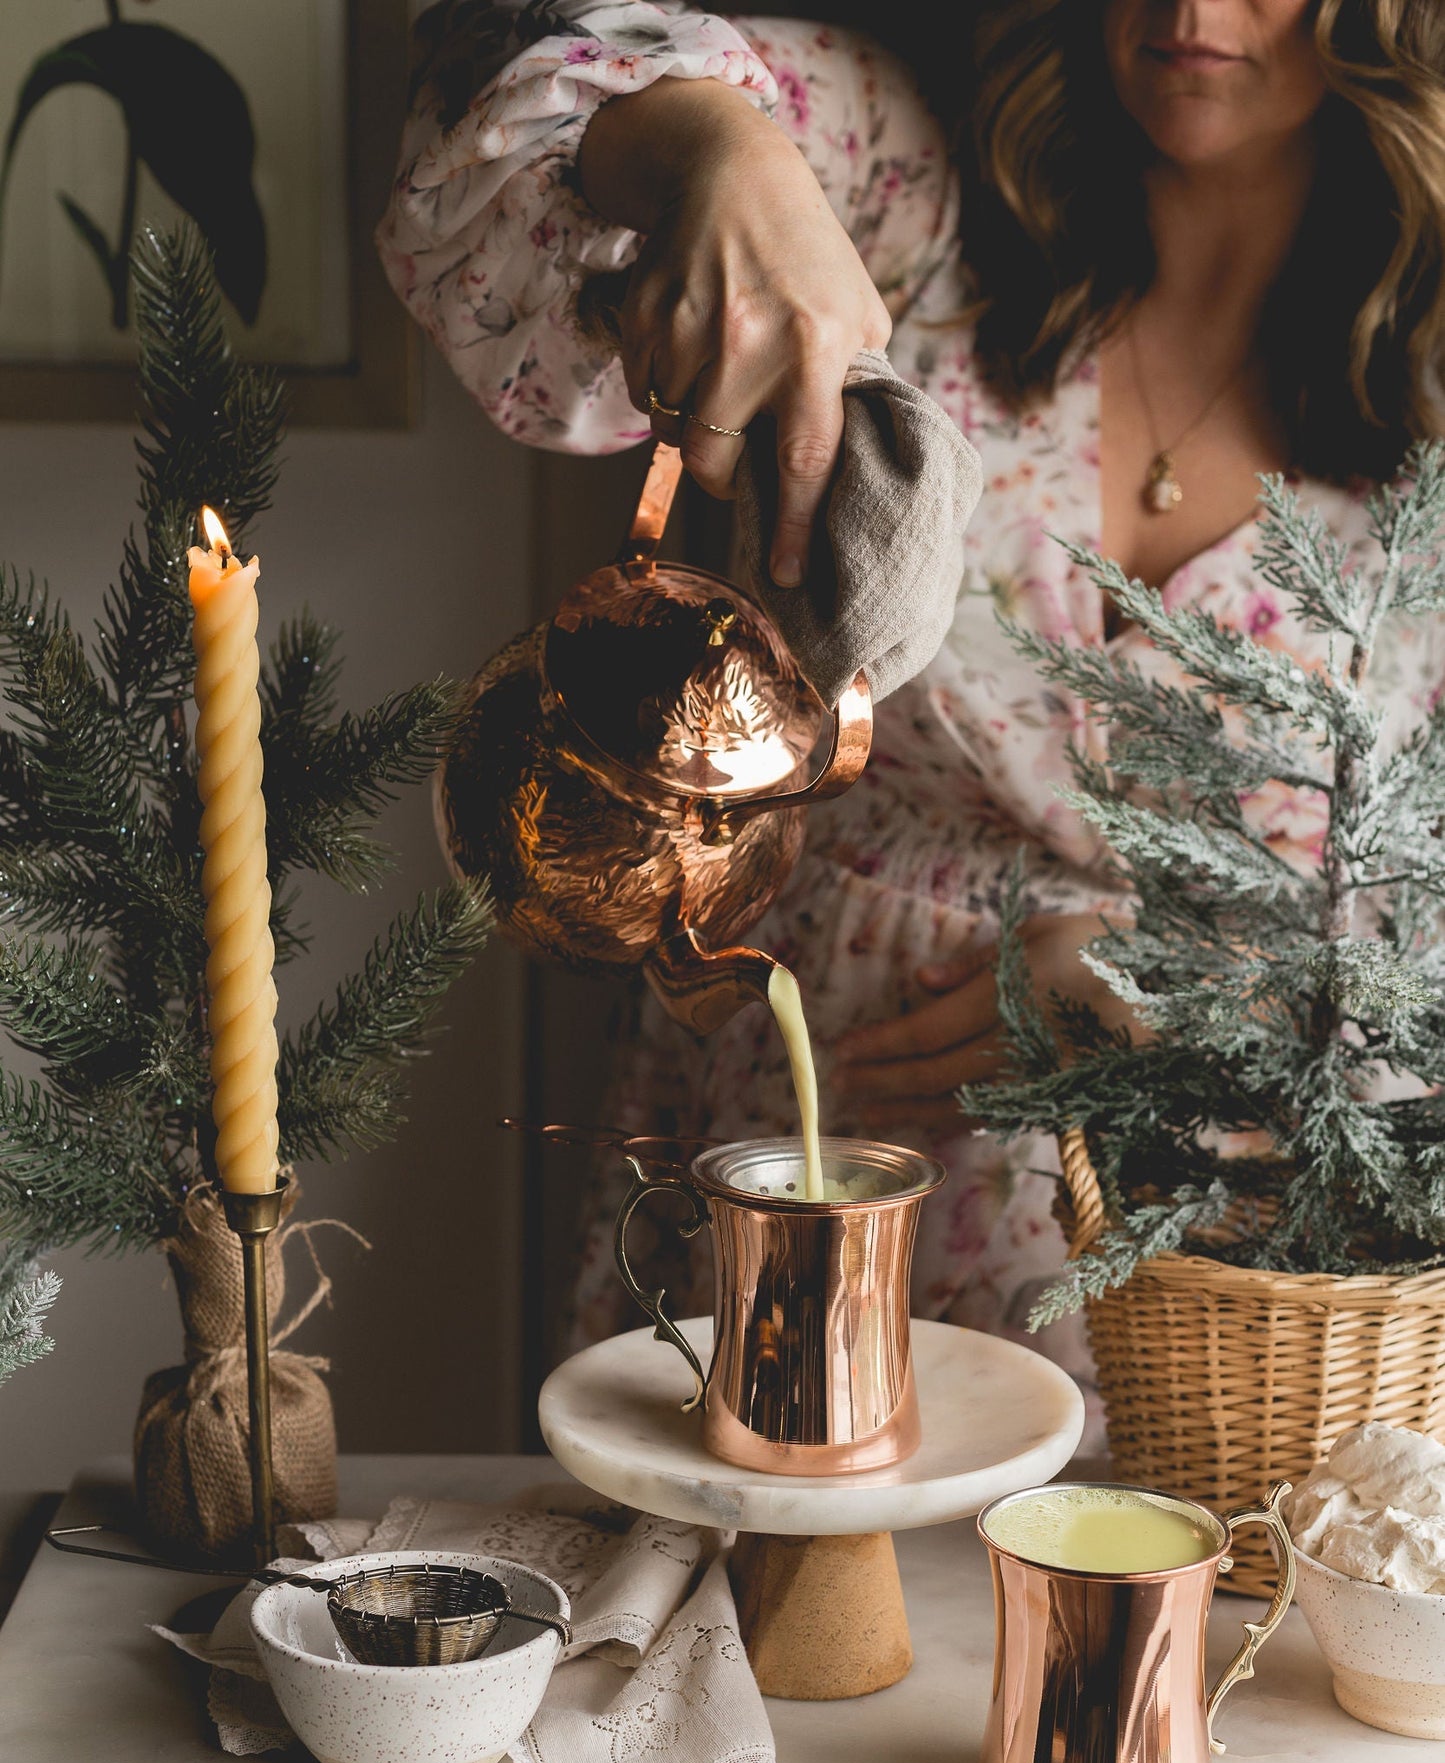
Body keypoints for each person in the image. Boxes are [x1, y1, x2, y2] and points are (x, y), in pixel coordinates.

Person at [379, 0, 1445, 1379]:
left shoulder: (1423, 385)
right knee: (750, 1567)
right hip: (809, 1098)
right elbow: (510, 65)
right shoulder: (913, 191)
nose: (1193, 9)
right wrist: (716, 147)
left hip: (1214, 1245)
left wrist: (1175, 993)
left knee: (1136, 1589)